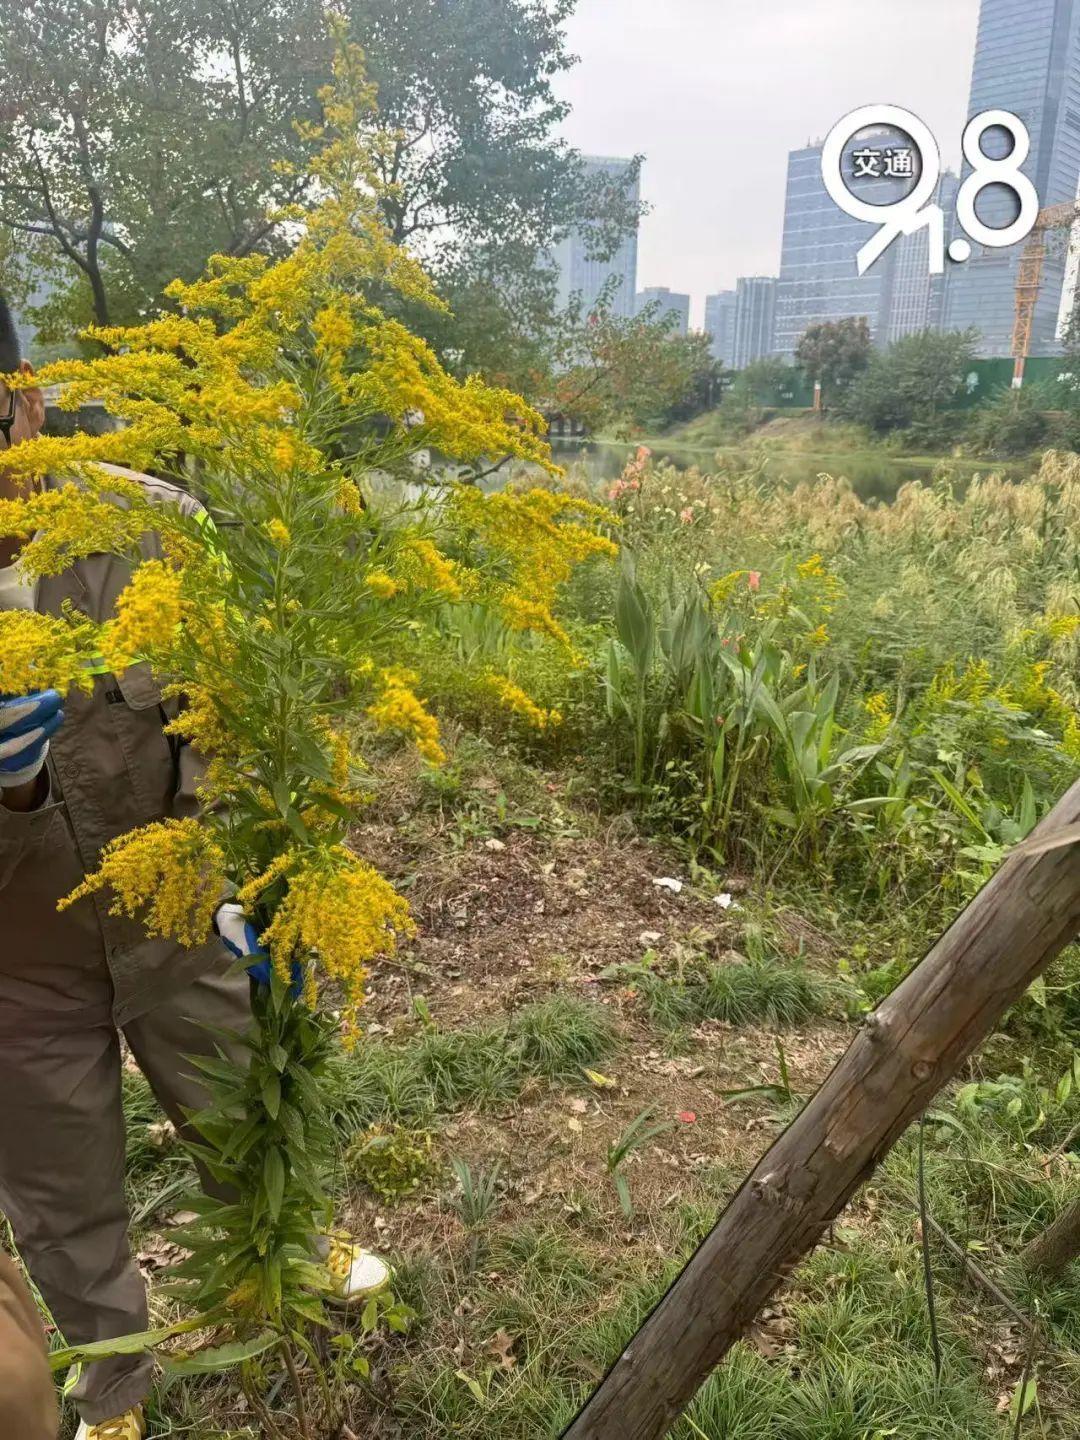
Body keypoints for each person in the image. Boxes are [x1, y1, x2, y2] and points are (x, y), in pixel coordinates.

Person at [0, 295, 387, 1440]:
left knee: (238, 1099)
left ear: (23, 402)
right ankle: (115, 1379)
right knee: (61, 1187)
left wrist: (265, 877)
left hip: (180, 917)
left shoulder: (161, 525)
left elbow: (240, 710)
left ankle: (284, 1262)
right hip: (17, 959)